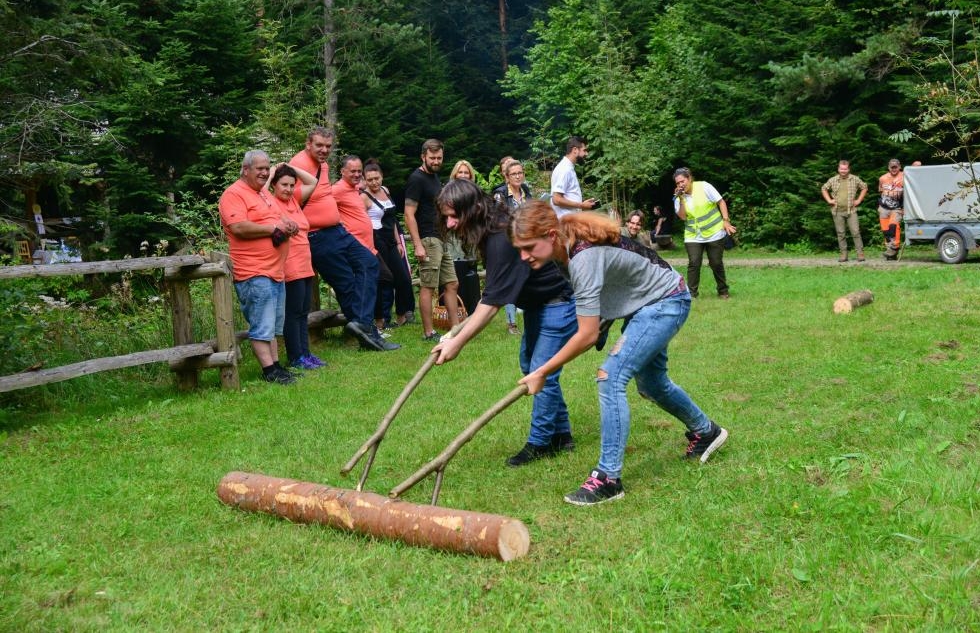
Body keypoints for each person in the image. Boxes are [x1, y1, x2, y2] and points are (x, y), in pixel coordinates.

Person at [510, 201, 729, 505]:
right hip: (648, 304)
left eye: (528, 247)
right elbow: (608, 292)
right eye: (518, 249)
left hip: (665, 302)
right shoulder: (566, 251)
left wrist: (541, 371)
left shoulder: (581, 257)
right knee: (652, 384)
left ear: (550, 235)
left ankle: (608, 478)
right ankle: (707, 432)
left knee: (609, 377)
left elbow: (585, 334)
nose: (523, 256)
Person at [433, 180, 578, 466]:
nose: (449, 224)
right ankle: (562, 435)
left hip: (559, 303)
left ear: (473, 209)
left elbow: (492, 304)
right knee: (532, 367)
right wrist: (454, 331)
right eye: (446, 216)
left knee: (540, 371)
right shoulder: (491, 228)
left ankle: (541, 441)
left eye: (454, 216)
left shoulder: (501, 237)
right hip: (540, 305)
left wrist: (457, 343)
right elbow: (491, 296)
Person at [289, 127, 392, 352]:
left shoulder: (323, 165)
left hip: (337, 231)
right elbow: (287, 197)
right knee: (346, 285)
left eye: (328, 146)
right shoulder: (298, 165)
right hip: (318, 236)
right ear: (308, 144)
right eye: (319, 145)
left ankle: (363, 325)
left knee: (369, 262)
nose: (324, 150)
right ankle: (370, 337)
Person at [218, 150, 298, 385]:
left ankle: (277, 367)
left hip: (275, 269)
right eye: (259, 169)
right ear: (245, 170)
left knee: (272, 325)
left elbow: (275, 218)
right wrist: (273, 229)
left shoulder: (262, 193)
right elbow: (239, 227)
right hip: (254, 271)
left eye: (267, 168)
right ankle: (269, 371)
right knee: (262, 325)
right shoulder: (233, 194)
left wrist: (288, 225)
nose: (264, 172)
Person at [333, 154, 399, 350]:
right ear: (342, 172)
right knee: (376, 280)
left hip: (368, 246)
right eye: (351, 171)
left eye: (358, 171)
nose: (355, 174)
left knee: (376, 281)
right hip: (355, 246)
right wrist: (340, 225)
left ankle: (369, 329)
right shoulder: (336, 190)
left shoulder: (356, 189)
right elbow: (322, 206)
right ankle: (369, 326)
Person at [267, 163, 327, 370]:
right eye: (283, 184)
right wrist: (272, 172)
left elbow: (313, 181)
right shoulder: (270, 203)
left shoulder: (294, 200)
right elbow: (261, 192)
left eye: (292, 185)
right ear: (274, 185)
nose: (288, 189)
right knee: (293, 313)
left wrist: (289, 166)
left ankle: (306, 354)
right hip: (289, 264)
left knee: (303, 311)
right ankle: (295, 357)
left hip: (305, 263)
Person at [403, 139, 461, 341]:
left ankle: (456, 328)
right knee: (428, 286)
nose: (436, 161)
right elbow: (409, 214)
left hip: (441, 238)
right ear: (423, 157)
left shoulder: (435, 178)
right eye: (432, 158)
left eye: (439, 158)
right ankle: (429, 332)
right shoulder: (416, 179)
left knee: (452, 283)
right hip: (427, 239)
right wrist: (418, 245)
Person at [362, 161, 415, 329]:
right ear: (365, 180)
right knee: (383, 279)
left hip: (391, 239)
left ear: (382, 177)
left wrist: (399, 242)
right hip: (375, 239)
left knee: (403, 278)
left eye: (376, 178)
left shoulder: (385, 191)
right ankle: (379, 321)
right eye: (370, 180)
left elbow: (391, 220)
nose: (374, 182)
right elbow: (362, 223)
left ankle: (400, 316)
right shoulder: (363, 197)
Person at [673, 167, 736, 299]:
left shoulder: (704, 186)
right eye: (678, 183)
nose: (680, 185)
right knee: (694, 263)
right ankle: (692, 294)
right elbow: (683, 217)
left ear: (689, 178)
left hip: (714, 232)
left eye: (682, 181)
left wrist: (726, 221)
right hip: (693, 235)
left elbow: (721, 202)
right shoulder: (679, 197)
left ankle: (723, 291)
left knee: (716, 263)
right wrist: (681, 199)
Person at [494, 158, 532, 335]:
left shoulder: (525, 191)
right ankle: (511, 323)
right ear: (507, 177)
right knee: (511, 280)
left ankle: (530, 313)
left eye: (520, 173)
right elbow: (498, 219)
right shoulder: (500, 194)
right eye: (514, 174)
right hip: (509, 241)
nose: (518, 176)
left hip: (527, 240)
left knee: (527, 277)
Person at [821, 160, 868, 263]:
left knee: (855, 232)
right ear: (838, 169)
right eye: (841, 169)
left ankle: (860, 253)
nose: (843, 171)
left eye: (845, 169)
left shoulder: (854, 179)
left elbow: (864, 187)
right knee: (841, 233)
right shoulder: (833, 180)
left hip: (851, 211)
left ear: (848, 169)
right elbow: (824, 188)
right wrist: (829, 200)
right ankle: (843, 254)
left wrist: (859, 200)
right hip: (837, 211)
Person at [550, 136, 597, 217]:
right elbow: (556, 199)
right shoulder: (564, 169)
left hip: (570, 220)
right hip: (565, 222)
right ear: (575, 150)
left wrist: (582, 204)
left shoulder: (568, 168)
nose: (586, 154)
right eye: (584, 150)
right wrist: (581, 205)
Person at [877, 159, 904, 260]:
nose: (894, 169)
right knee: (885, 230)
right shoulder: (882, 178)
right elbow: (881, 191)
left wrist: (905, 207)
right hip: (884, 207)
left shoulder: (905, 176)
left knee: (893, 226)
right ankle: (890, 250)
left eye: (895, 167)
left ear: (899, 167)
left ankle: (894, 247)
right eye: (892, 167)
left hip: (897, 207)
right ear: (888, 167)